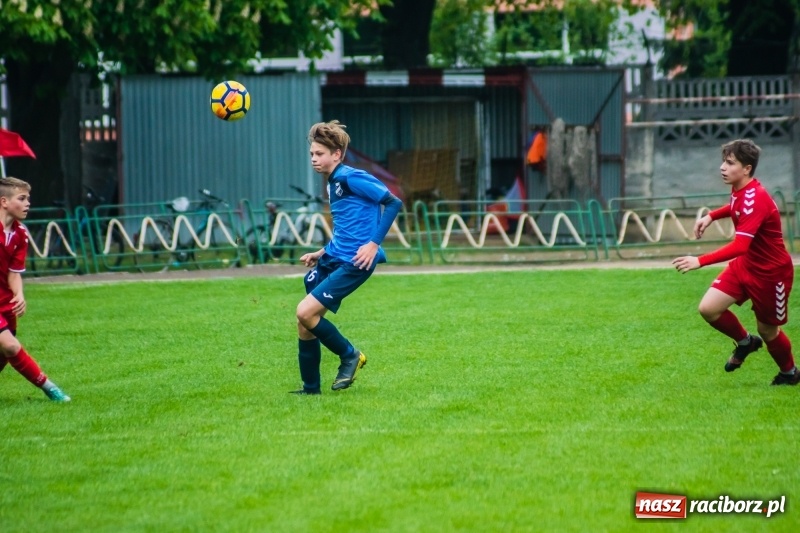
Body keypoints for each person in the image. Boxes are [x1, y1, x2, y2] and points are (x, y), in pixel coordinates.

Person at [672, 139, 799, 386]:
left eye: (730, 163)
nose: (722, 167)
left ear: (747, 169)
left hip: (771, 275)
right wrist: (711, 215)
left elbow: (740, 245)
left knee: (768, 331)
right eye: (724, 161)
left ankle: (790, 373)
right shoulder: (741, 190)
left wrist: (700, 260)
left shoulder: (756, 198)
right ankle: (745, 342)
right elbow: (735, 206)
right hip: (745, 266)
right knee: (708, 309)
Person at [292, 120, 403, 394]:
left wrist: (373, 244)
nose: (314, 159)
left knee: (304, 311)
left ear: (337, 154)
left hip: (356, 262)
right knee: (305, 322)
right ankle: (310, 390)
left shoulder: (352, 177)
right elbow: (347, 226)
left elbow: (392, 202)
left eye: (319, 154)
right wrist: (322, 252)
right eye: (312, 154)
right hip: (334, 257)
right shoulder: (333, 183)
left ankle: (350, 355)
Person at [0, 177, 71, 401]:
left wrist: (19, 293)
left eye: (28, 199)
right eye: (22, 199)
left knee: (3, 354)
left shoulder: (20, 234)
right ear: (4, 201)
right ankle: (51, 388)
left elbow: (14, 272)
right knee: (11, 346)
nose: (28, 203)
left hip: (5, 300)